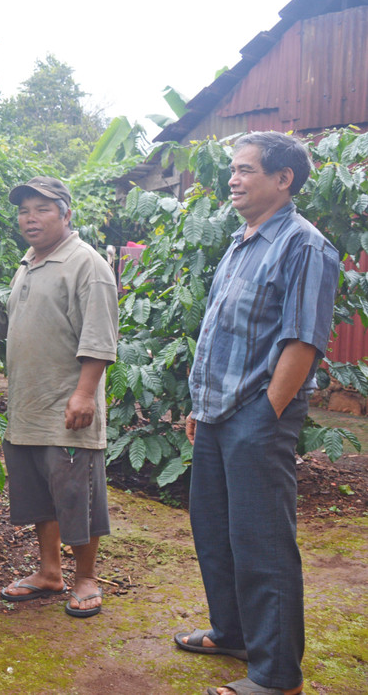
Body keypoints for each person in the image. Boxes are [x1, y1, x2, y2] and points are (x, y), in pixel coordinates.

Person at [176, 132, 339, 695]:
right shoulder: (244, 240)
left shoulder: (304, 245)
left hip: (257, 419)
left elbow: (303, 342)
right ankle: (233, 633)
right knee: (215, 532)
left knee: (262, 543)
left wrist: (266, 415)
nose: (233, 179)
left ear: (283, 179)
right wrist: (203, 408)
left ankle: (276, 677)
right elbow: (225, 331)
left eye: (246, 169)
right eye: (233, 170)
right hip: (217, 415)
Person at [0, 176, 118, 617]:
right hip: (28, 404)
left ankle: (86, 578)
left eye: (42, 209)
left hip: (68, 405)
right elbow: (8, 319)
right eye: (24, 210)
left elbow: (101, 338)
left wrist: (85, 394)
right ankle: (50, 572)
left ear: (67, 213)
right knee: (39, 494)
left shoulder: (87, 265)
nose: (30, 218)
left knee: (77, 493)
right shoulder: (28, 262)